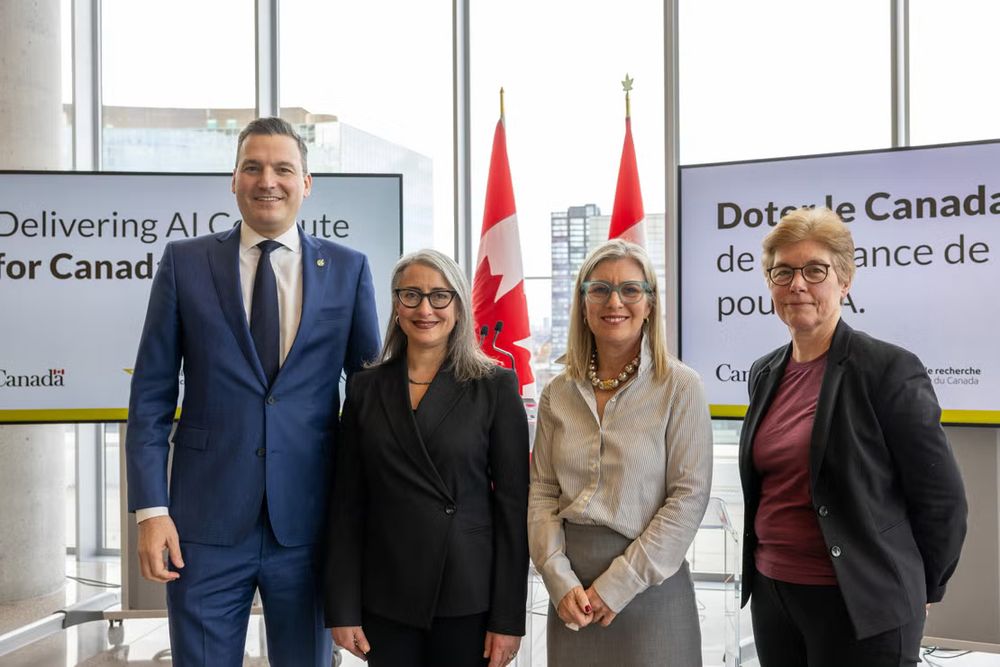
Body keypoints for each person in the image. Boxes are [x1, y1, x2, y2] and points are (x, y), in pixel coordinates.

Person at [125, 117, 381, 666]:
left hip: (310, 528)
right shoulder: (184, 263)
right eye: (253, 167)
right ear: (234, 180)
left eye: (283, 168)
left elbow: (368, 404)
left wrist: (366, 518)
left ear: (306, 183)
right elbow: (150, 395)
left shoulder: (348, 270)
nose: (269, 180)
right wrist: (151, 512)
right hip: (203, 527)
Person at [739, 206, 968, 667]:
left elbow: (942, 499)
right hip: (774, 596)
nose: (797, 284)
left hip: (861, 603)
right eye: (782, 272)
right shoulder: (764, 372)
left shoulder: (887, 369)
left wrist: (922, 585)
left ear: (844, 281)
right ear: (769, 284)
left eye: (814, 270)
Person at [324, 249, 529, 667]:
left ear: (458, 306)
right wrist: (342, 607)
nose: (425, 309)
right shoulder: (365, 387)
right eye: (411, 295)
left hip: (467, 592)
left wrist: (508, 618)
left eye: (439, 296)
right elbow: (347, 505)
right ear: (396, 305)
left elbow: (513, 509)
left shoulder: (495, 386)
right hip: (386, 591)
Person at [528, 239, 713, 666]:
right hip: (571, 594)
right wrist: (557, 578)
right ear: (583, 303)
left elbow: (687, 499)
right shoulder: (557, 392)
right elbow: (542, 492)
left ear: (649, 304)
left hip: (650, 586)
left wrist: (619, 585)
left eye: (631, 290)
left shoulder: (681, 387)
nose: (615, 302)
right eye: (600, 289)